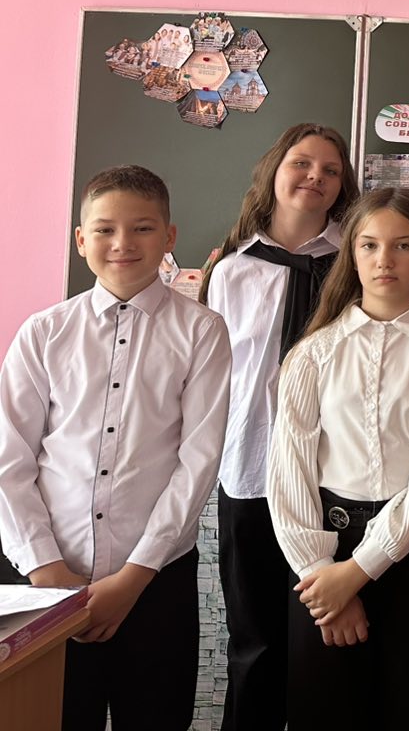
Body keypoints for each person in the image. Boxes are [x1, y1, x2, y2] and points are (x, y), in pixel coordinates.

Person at [0, 165, 230, 731]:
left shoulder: (202, 331)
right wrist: (48, 571)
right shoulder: (44, 332)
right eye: (104, 230)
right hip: (47, 576)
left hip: (155, 580)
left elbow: (197, 462)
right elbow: (10, 459)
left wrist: (135, 576)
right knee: (47, 717)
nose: (122, 243)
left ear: (169, 236)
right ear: (82, 240)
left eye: (142, 228)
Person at [266, 186, 409, 730]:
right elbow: (288, 475)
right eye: (370, 245)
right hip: (322, 555)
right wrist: (325, 576)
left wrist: (358, 572)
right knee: (323, 712)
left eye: (404, 245)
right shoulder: (312, 354)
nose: (385, 259)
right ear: (351, 254)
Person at [201, 122, 359, 731]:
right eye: (302, 163)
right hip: (250, 469)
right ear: (275, 170)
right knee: (255, 638)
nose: (315, 177)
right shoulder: (232, 269)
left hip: (333, 476)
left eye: (331, 170)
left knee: (326, 636)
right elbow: (218, 375)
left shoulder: (356, 262)